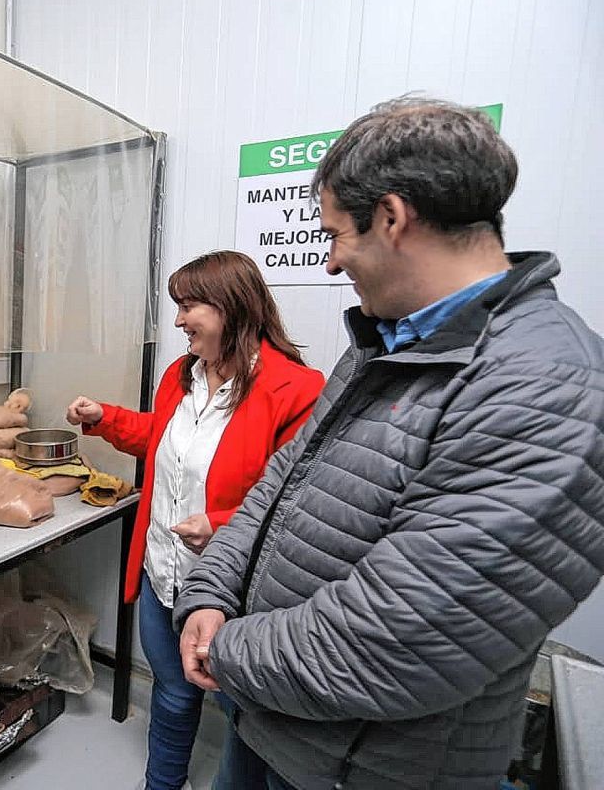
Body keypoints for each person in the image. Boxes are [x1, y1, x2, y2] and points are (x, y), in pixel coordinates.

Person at [175, 96, 604, 790]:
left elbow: (398, 643)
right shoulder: (388, 343)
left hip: (363, 765)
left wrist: (226, 648)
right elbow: (275, 492)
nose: (331, 260)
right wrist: (209, 595)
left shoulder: (547, 386)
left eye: (337, 234)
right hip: (271, 718)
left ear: (392, 218)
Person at [66, 250, 325, 790]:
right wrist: (105, 419)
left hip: (236, 594)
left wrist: (223, 523)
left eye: (190, 306)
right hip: (166, 575)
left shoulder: (296, 391)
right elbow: (162, 443)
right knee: (173, 692)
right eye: (178, 306)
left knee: (246, 718)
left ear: (234, 307)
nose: (179, 320)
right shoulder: (180, 376)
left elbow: (298, 503)